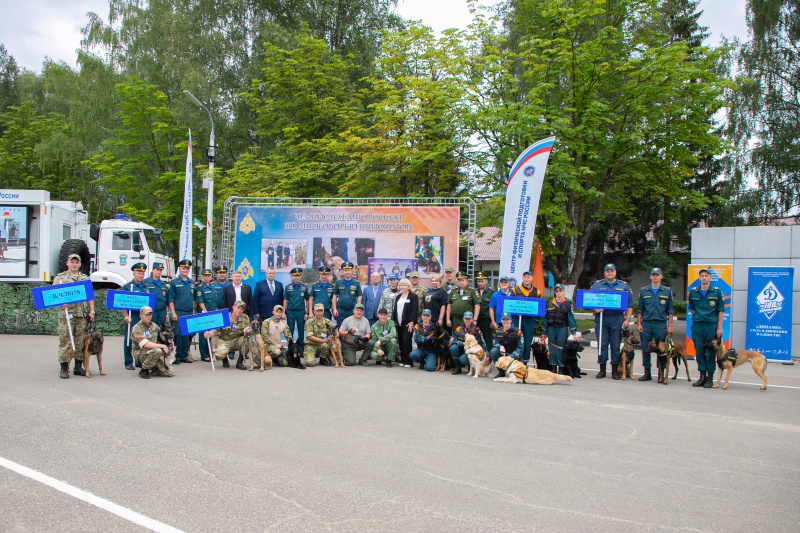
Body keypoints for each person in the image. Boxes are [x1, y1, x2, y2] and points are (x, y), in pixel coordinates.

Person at [54, 253, 95, 379]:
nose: (74, 264)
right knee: (65, 341)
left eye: (77, 262)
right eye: (72, 262)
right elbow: (52, 295)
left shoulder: (84, 278)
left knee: (80, 342)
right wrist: (61, 304)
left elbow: (89, 296)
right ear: (67, 263)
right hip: (66, 315)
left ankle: (78, 367)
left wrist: (92, 311)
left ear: (80, 264)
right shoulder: (60, 278)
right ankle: (64, 367)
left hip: (81, 315)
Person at [590, 263, 634, 378]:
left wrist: (627, 320)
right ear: (605, 273)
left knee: (615, 345)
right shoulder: (597, 285)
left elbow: (630, 305)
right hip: (602, 318)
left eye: (612, 271)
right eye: (607, 271)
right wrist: (595, 308)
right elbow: (588, 300)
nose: (610, 273)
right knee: (602, 344)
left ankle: (614, 370)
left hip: (617, 318)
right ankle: (602, 369)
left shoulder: (624, 286)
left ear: (615, 272)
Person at [635, 267, 675, 382]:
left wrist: (670, 325)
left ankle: (661, 374)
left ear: (661, 276)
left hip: (660, 324)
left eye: (657, 275)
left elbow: (670, 310)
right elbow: (640, 310)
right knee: (646, 348)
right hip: (646, 324)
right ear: (650, 276)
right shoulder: (644, 291)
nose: (655, 277)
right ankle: (647, 372)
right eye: (653, 275)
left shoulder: (667, 291)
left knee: (662, 350)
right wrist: (639, 323)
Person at [687, 268, 725, 388]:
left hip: (710, 325)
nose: (704, 278)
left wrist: (719, 328)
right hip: (698, 325)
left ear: (710, 278)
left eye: (706, 276)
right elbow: (692, 310)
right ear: (699, 278)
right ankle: (702, 376)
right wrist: (699, 317)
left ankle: (709, 378)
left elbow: (720, 311)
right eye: (702, 276)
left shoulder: (717, 292)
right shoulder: (693, 292)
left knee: (710, 352)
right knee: (699, 351)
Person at [205, 300, 251, 369]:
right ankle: (224, 358)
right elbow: (215, 330)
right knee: (220, 354)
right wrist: (209, 334)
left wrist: (247, 331)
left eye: (241, 309)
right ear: (233, 307)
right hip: (224, 341)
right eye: (238, 308)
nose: (239, 310)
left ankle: (239, 362)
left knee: (248, 340)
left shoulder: (245, 318)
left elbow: (248, 330)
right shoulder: (224, 317)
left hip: (237, 341)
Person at [131, 306, 173, 379]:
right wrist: (162, 346)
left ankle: (153, 367)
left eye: (150, 315)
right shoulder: (136, 329)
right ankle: (144, 370)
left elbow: (162, 337)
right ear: (140, 315)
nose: (148, 317)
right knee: (157, 350)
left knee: (170, 373)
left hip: (154, 351)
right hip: (141, 352)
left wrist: (169, 345)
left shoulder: (154, 326)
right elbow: (145, 345)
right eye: (146, 315)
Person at [121, 262, 150, 370]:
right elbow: (123, 303)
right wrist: (125, 316)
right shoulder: (128, 287)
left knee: (143, 338)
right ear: (134, 273)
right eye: (139, 273)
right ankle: (128, 361)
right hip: (132, 316)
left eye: (142, 273)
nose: (141, 275)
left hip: (143, 318)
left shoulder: (146, 287)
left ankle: (139, 360)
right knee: (130, 339)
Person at [510, 270, 543, 364]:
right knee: (514, 340)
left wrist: (536, 321)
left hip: (529, 321)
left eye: (528, 277)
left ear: (532, 278)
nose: (526, 279)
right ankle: (515, 359)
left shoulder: (537, 292)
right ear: (522, 278)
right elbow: (509, 304)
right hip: (516, 319)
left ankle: (525, 362)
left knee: (527, 341)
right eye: (524, 277)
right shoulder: (515, 289)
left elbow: (539, 308)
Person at [544, 284, 578, 373]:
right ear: (555, 292)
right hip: (552, 328)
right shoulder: (551, 303)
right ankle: (553, 367)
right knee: (552, 348)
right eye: (557, 291)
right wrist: (543, 332)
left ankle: (561, 368)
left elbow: (571, 318)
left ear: (563, 291)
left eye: (560, 290)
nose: (559, 292)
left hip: (562, 328)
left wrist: (574, 332)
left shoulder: (567, 303)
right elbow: (546, 318)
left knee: (560, 348)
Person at [168, 259, 197, 364]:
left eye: (187, 268)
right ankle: (178, 356)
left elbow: (194, 299)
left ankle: (184, 356)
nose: (185, 270)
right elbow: (170, 299)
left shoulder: (192, 283)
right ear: (179, 269)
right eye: (183, 268)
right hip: (178, 311)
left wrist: (193, 310)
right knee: (179, 335)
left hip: (189, 311)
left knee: (186, 335)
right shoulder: (174, 283)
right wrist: (173, 312)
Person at [392, 278, 419, 367]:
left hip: (408, 323)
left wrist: (412, 322)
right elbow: (395, 310)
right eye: (401, 285)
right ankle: (403, 360)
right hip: (399, 323)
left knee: (406, 340)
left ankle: (409, 361)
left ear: (408, 286)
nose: (403, 287)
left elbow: (414, 310)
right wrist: (394, 320)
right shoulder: (398, 297)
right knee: (401, 341)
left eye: (405, 285)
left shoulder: (413, 296)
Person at [283, 267, 310, 353]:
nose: (296, 277)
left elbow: (307, 300)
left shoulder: (305, 287)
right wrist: (283, 312)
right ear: (292, 276)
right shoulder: (288, 287)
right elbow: (285, 300)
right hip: (290, 311)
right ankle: (290, 350)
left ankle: (301, 350)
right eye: (295, 275)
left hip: (301, 312)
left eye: (298, 275)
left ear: (300, 276)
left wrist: (307, 312)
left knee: (301, 331)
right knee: (290, 331)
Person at [489, 312, 523, 377]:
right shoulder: (499, 331)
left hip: (513, 356)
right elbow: (495, 344)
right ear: (501, 320)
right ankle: (501, 371)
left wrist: (511, 356)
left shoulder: (518, 332)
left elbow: (520, 349)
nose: (505, 321)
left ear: (511, 320)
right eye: (503, 320)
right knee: (493, 351)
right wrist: (500, 346)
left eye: (507, 320)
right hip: (504, 354)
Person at [195, 269, 216, 362]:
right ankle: (204, 355)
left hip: (212, 313)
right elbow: (200, 301)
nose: (207, 277)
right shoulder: (200, 287)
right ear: (202, 277)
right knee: (204, 335)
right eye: (205, 276)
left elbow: (214, 301)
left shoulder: (212, 287)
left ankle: (209, 352)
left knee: (211, 333)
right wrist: (206, 312)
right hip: (204, 313)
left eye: (208, 275)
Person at [303, 303, 332, 367]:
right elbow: (310, 337)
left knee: (325, 345)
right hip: (311, 345)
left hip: (321, 345)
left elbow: (332, 332)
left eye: (321, 311)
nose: (319, 313)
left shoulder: (328, 322)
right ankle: (308, 354)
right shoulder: (309, 322)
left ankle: (323, 358)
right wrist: (322, 340)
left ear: (323, 311)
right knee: (310, 363)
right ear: (314, 312)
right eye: (317, 311)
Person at [474, 272, 495, 349]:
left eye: (482, 281)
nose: (480, 283)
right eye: (479, 281)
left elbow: (493, 307)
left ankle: (489, 357)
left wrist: (493, 321)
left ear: (486, 281)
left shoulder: (491, 292)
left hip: (487, 319)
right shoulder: (475, 291)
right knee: (477, 339)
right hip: (477, 319)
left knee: (488, 339)